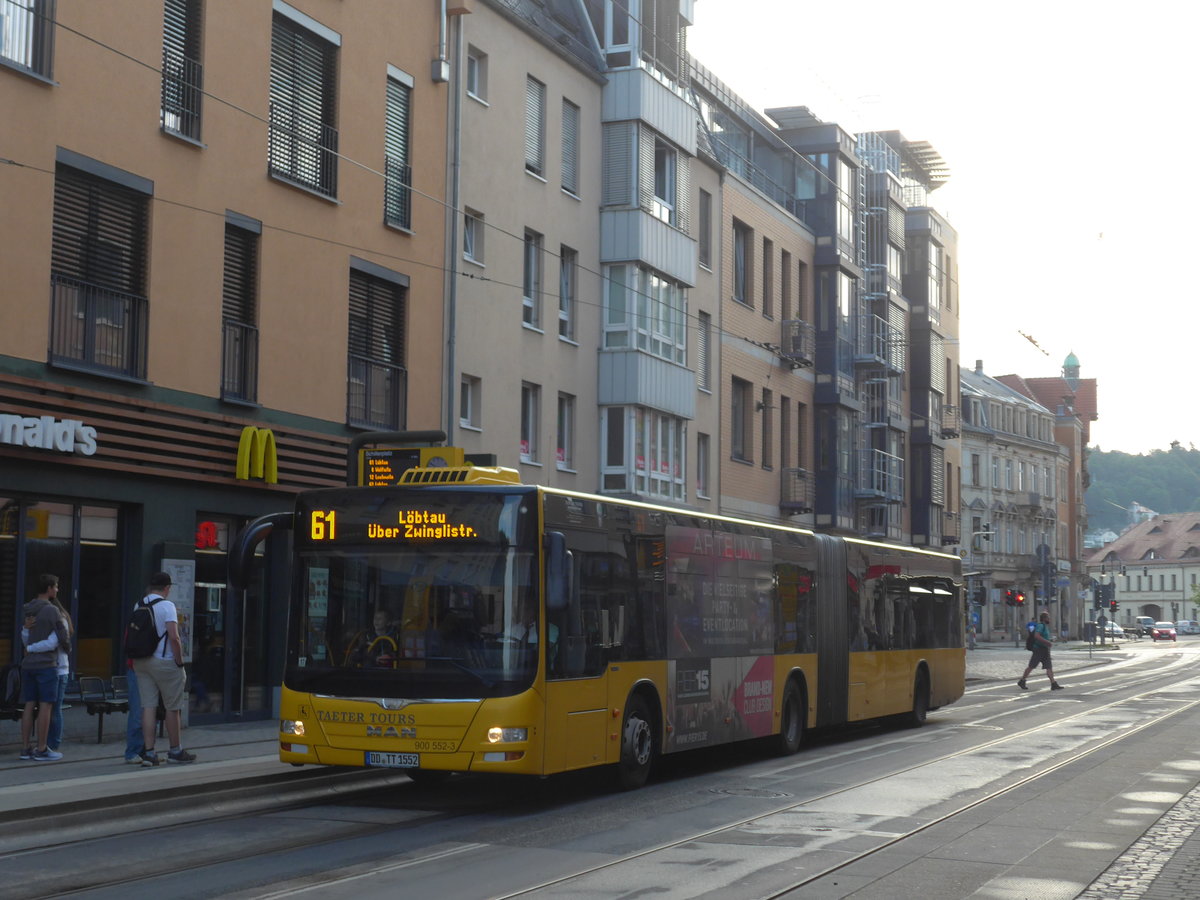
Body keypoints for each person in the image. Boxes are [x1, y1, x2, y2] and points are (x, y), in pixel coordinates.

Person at [131, 572, 196, 765]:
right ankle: (175, 751)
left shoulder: (139, 604)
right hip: (164, 662)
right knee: (172, 707)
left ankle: (149, 753)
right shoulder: (167, 606)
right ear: (167, 588)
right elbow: (174, 637)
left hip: (141, 662)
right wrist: (179, 661)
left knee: (148, 706)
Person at [19, 574, 71, 761]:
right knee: (46, 706)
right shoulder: (52, 611)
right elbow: (56, 641)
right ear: (49, 588)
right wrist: (32, 648)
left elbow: (25, 637)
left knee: (28, 705)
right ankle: (42, 748)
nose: (57, 590)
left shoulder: (29, 610)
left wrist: (29, 647)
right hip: (46, 665)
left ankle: (25, 748)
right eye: (55, 587)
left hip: (28, 665)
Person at [1018, 611, 1063, 691]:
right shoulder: (1040, 626)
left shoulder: (1045, 627)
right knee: (1031, 666)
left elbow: (1044, 637)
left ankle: (1053, 683)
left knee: (1049, 667)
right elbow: (1037, 636)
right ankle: (1022, 680)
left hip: (1045, 650)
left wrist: (1050, 640)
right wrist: (1047, 642)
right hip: (1038, 649)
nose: (1049, 619)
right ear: (1044, 618)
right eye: (1048, 617)